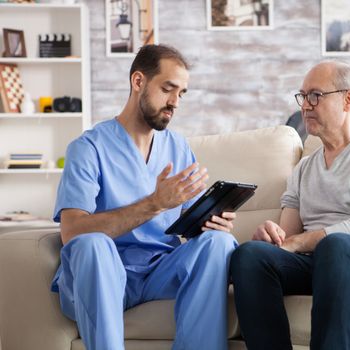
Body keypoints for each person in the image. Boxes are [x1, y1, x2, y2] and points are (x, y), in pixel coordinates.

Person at [50, 44, 238, 350]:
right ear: (138, 82)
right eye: (168, 89)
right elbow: (71, 232)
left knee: (219, 243)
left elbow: (193, 232)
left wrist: (212, 222)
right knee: (92, 243)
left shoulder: (178, 147)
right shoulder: (88, 148)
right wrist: (155, 203)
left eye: (182, 93)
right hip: (104, 274)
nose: (175, 102)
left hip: (159, 272)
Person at [230, 61, 350, 350]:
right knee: (250, 255)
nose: (305, 105)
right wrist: (272, 237)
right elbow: (288, 238)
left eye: (315, 95)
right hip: (323, 262)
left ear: (348, 99)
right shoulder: (305, 169)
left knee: (336, 246)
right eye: (303, 96)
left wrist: (305, 240)